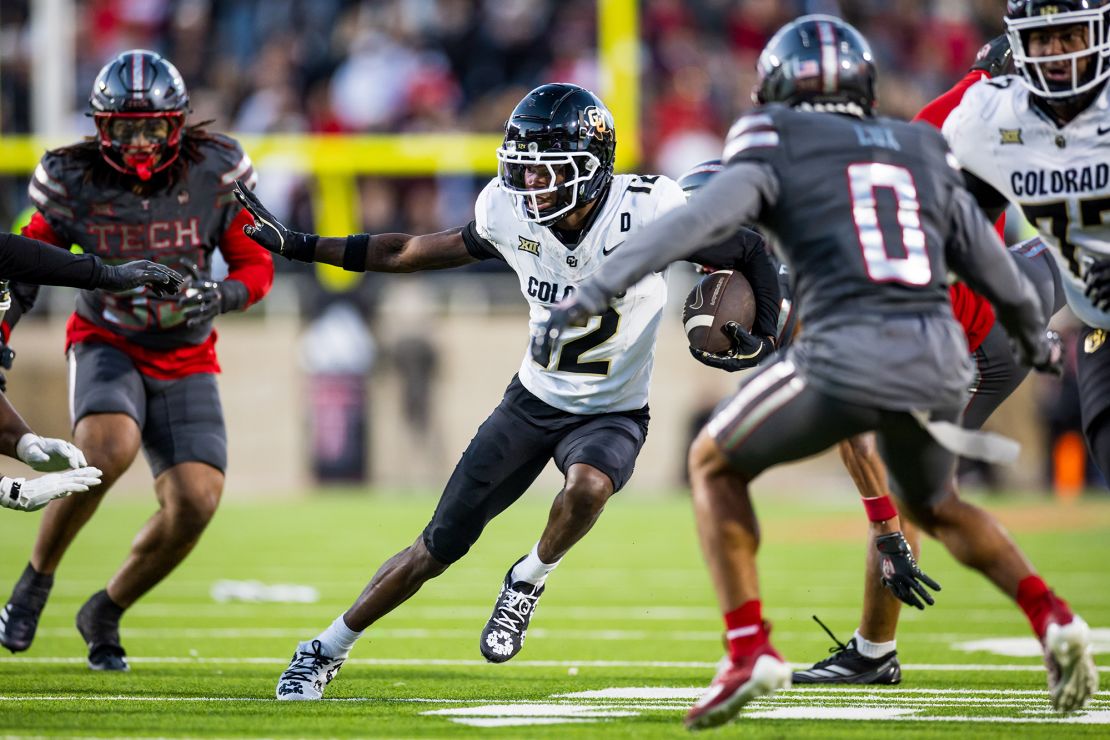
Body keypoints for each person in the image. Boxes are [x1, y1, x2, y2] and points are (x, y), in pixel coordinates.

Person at [535, 15, 1096, 729]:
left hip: (872, 345)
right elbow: (987, 259)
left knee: (711, 460)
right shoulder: (915, 143)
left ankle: (748, 649)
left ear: (776, 87)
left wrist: (594, 289)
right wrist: (1039, 339)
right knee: (939, 505)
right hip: (946, 344)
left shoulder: (772, 145)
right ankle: (1050, 615)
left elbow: (688, 227)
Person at [233, 82, 776, 699]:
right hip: (530, 403)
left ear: (593, 171)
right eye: (525, 172)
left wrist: (765, 334)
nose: (533, 187)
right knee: (434, 549)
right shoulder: (508, 211)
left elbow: (749, 250)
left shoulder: (649, 210)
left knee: (590, 485)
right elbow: (408, 249)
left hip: (613, 410)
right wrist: (303, 247)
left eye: (548, 173)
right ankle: (324, 648)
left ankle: (528, 579)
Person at [792, 34, 1070, 685]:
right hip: (1013, 285)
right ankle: (876, 649)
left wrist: (885, 527)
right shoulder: (936, 130)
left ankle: (876, 652)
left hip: (984, 321)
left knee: (908, 487)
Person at [0, 49, 274, 671]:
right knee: (107, 449)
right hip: (108, 338)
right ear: (102, 129)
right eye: (126, 128)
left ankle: (105, 609)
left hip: (186, 350)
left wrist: (222, 294)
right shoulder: (73, 177)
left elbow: (256, 265)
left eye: (152, 126)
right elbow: (25, 261)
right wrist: (5, 322)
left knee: (196, 501)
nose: (142, 140)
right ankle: (35, 580)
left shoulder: (214, 169)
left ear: (177, 124)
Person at [942, 0, 1110, 484]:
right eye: (1042, 38)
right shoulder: (989, 120)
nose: (1055, 52)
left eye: (1069, 36)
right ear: (1018, 44)